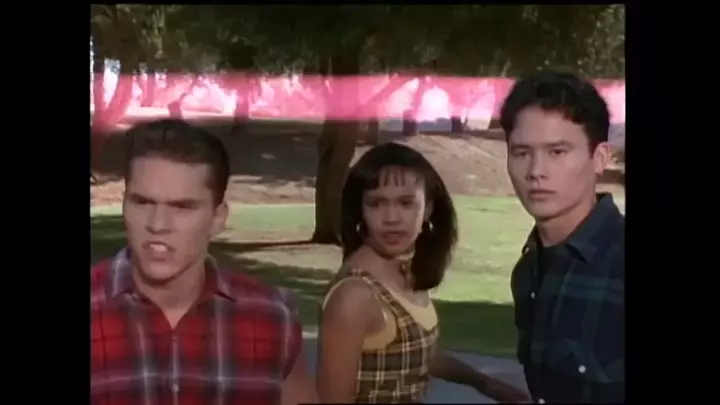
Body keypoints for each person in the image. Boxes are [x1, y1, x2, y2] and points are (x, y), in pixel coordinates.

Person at [90, 119, 316, 405]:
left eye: (182, 207)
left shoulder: (271, 319)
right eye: (143, 202)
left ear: (217, 218)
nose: (158, 224)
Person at [316, 142, 530, 403]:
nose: (391, 218)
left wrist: (482, 382)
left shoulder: (403, 272)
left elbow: (415, 353)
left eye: (406, 203)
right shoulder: (354, 296)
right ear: (360, 210)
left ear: (427, 208)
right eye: (376, 203)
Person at [500, 70, 625, 403]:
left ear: (600, 158)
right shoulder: (528, 271)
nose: (535, 171)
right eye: (521, 152)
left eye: (557, 152)